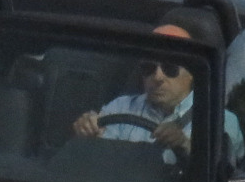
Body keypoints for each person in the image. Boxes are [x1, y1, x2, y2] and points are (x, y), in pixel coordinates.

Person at [71, 10, 233, 160]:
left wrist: (186, 146)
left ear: (192, 73)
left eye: (170, 68)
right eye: (149, 67)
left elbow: (222, 174)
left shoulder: (220, 121)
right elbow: (97, 164)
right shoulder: (120, 107)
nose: (158, 76)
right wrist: (87, 133)